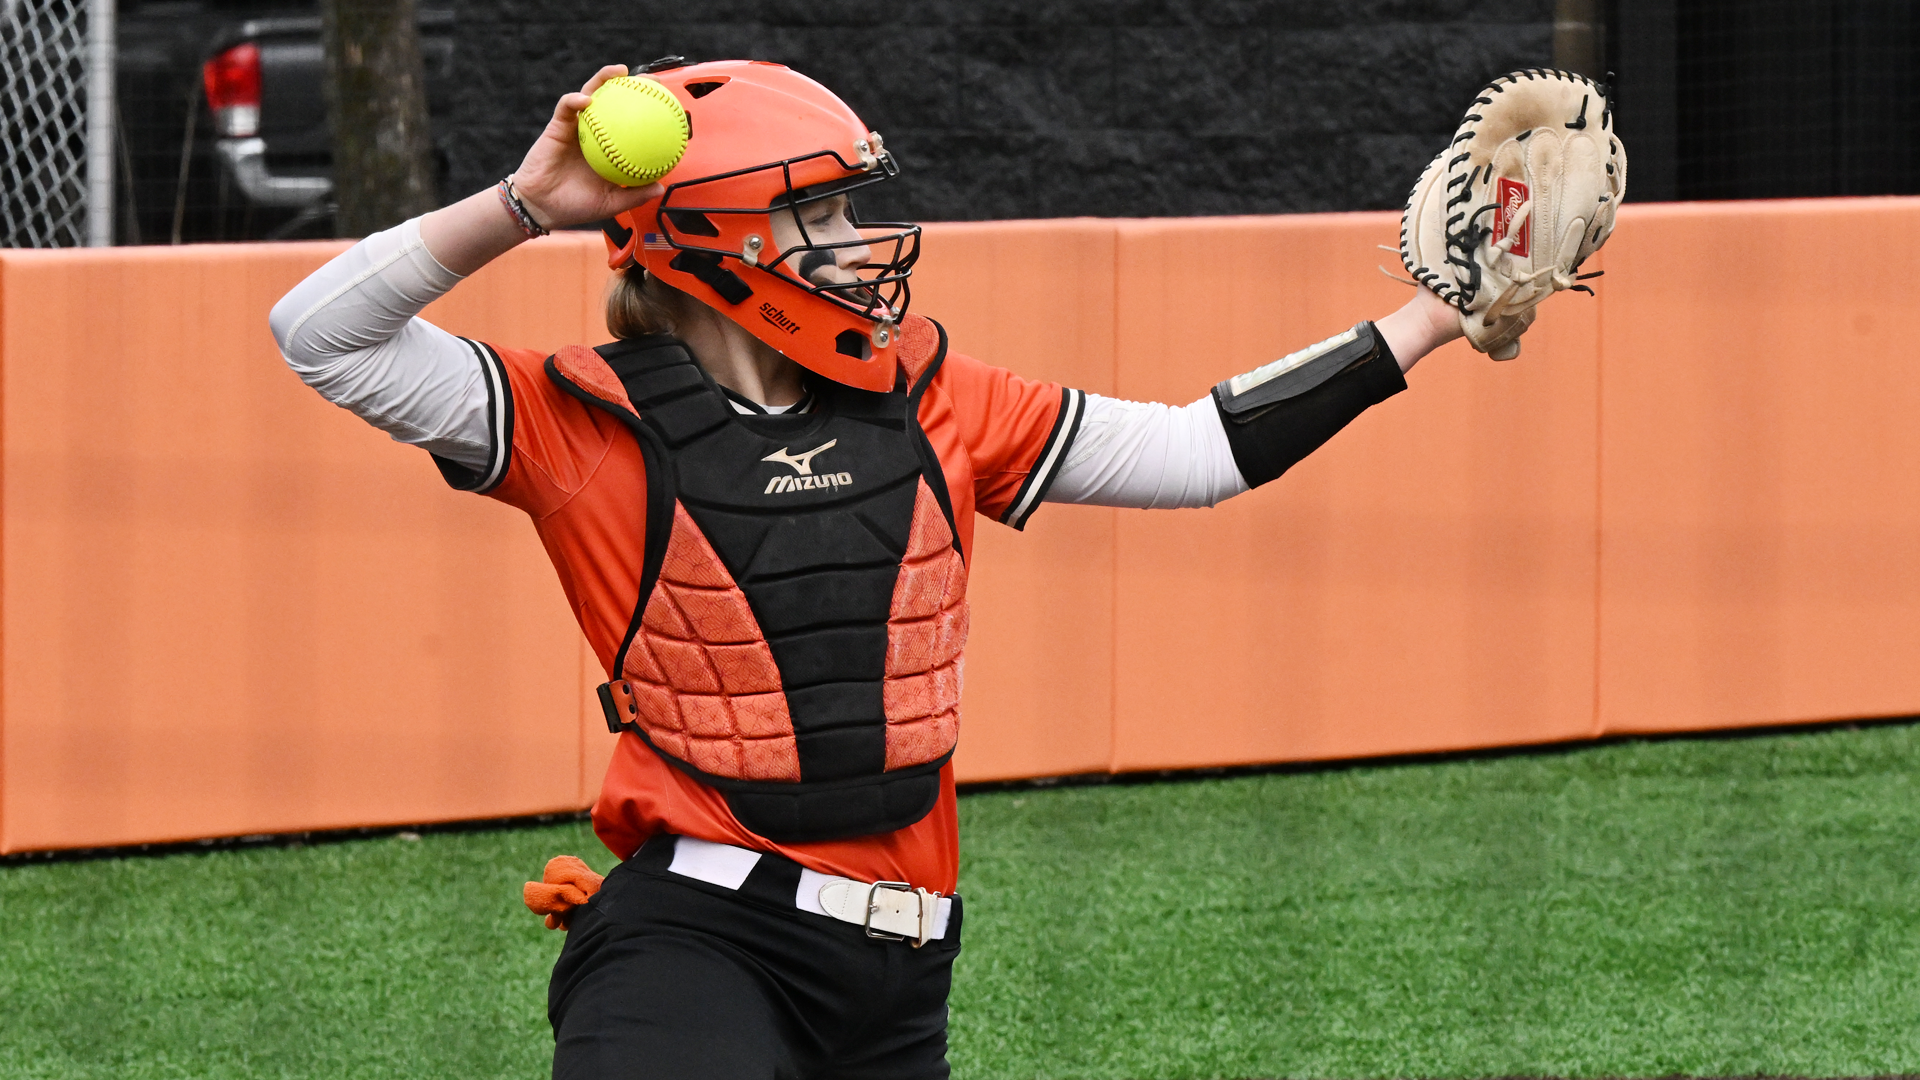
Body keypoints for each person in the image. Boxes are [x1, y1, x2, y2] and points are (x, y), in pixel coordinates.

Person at [271, 58, 1474, 1080]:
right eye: (825, 217)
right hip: (697, 943)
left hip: (901, 973)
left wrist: (1434, 318)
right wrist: (527, 205)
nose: (860, 244)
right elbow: (318, 333)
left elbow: (1198, 448)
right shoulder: (573, 420)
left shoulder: (934, 396)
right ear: (725, 233)